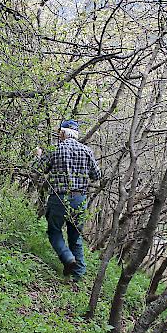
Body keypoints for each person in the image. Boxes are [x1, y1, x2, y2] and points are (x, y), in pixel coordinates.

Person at [34, 119, 101, 281]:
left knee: (54, 231)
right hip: (79, 198)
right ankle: (78, 276)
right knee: (75, 236)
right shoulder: (87, 151)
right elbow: (97, 176)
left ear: (63, 132)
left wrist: (38, 156)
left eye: (59, 132)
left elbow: (37, 169)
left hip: (59, 197)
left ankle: (67, 257)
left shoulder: (55, 149)